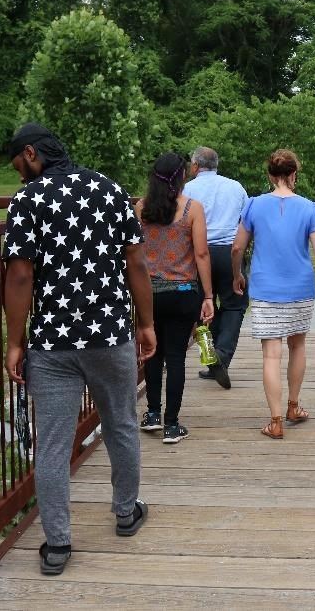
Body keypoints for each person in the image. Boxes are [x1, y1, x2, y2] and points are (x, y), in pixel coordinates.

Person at [2, 123, 156, 576]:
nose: (18, 176)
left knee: (51, 444)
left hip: (52, 342)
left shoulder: (27, 200)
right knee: (122, 424)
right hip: (110, 335)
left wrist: (14, 342)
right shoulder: (110, 189)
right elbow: (137, 264)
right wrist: (145, 323)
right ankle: (126, 512)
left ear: (30, 154)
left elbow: (20, 276)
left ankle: (57, 546)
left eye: (17, 166)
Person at [231, 149, 315, 440]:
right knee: (298, 346)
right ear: (293, 175)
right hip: (300, 288)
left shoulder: (253, 206)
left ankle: (275, 422)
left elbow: (237, 247)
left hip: (265, 289)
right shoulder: (310, 208)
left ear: (269, 175)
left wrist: (237, 275)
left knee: (270, 355)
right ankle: (293, 407)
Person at [135, 152, 215, 444]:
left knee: (152, 352)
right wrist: (208, 294)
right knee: (177, 356)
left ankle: (153, 414)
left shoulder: (141, 208)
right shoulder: (193, 209)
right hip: (183, 294)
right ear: (182, 176)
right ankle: (172, 425)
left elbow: (133, 253)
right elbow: (202, 253)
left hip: (149, 295)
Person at [184, 146, 249, 390]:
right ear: (216, 165)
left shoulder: (188, 189)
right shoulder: (235, 187)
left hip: (197, 255)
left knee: (201, 306)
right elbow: (246, 221)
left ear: (195, 166)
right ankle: (221, 354)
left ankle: (211, 357)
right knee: (235, 304)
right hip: (230, 252)